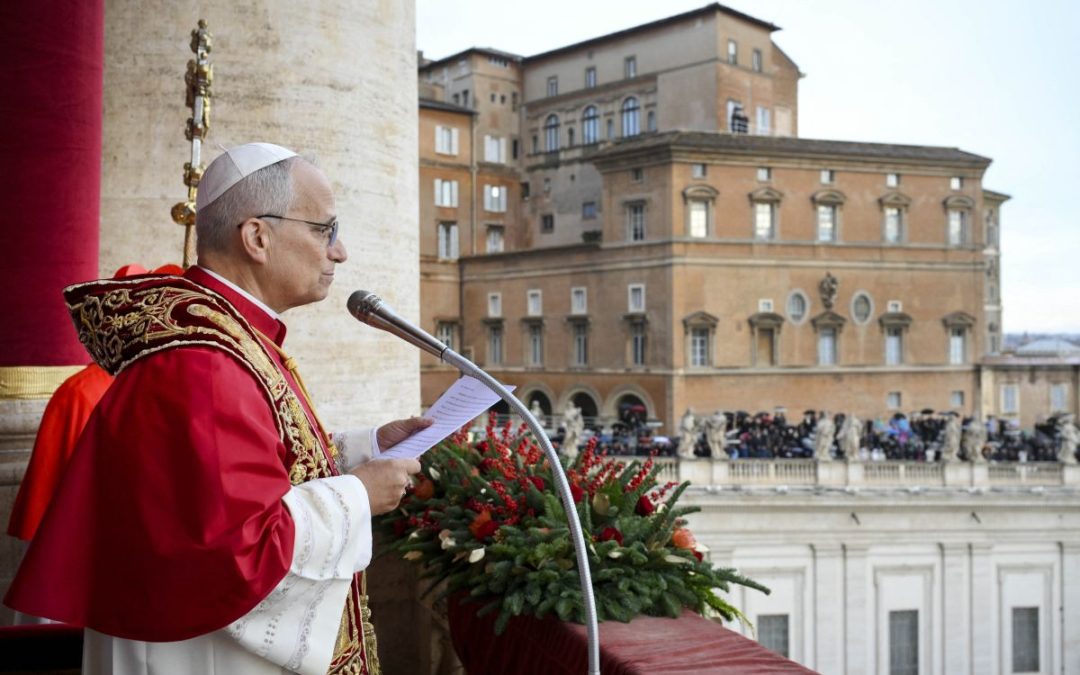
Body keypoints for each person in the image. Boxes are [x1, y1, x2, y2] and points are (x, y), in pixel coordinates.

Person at [4, 143, 429, 675]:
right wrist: (359, 494)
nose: (338, 252)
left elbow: (246, 470)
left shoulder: (228, 337)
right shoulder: (203, 362)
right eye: (326, 229)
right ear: (257, 237)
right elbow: (236, 548)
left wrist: (359, 449)